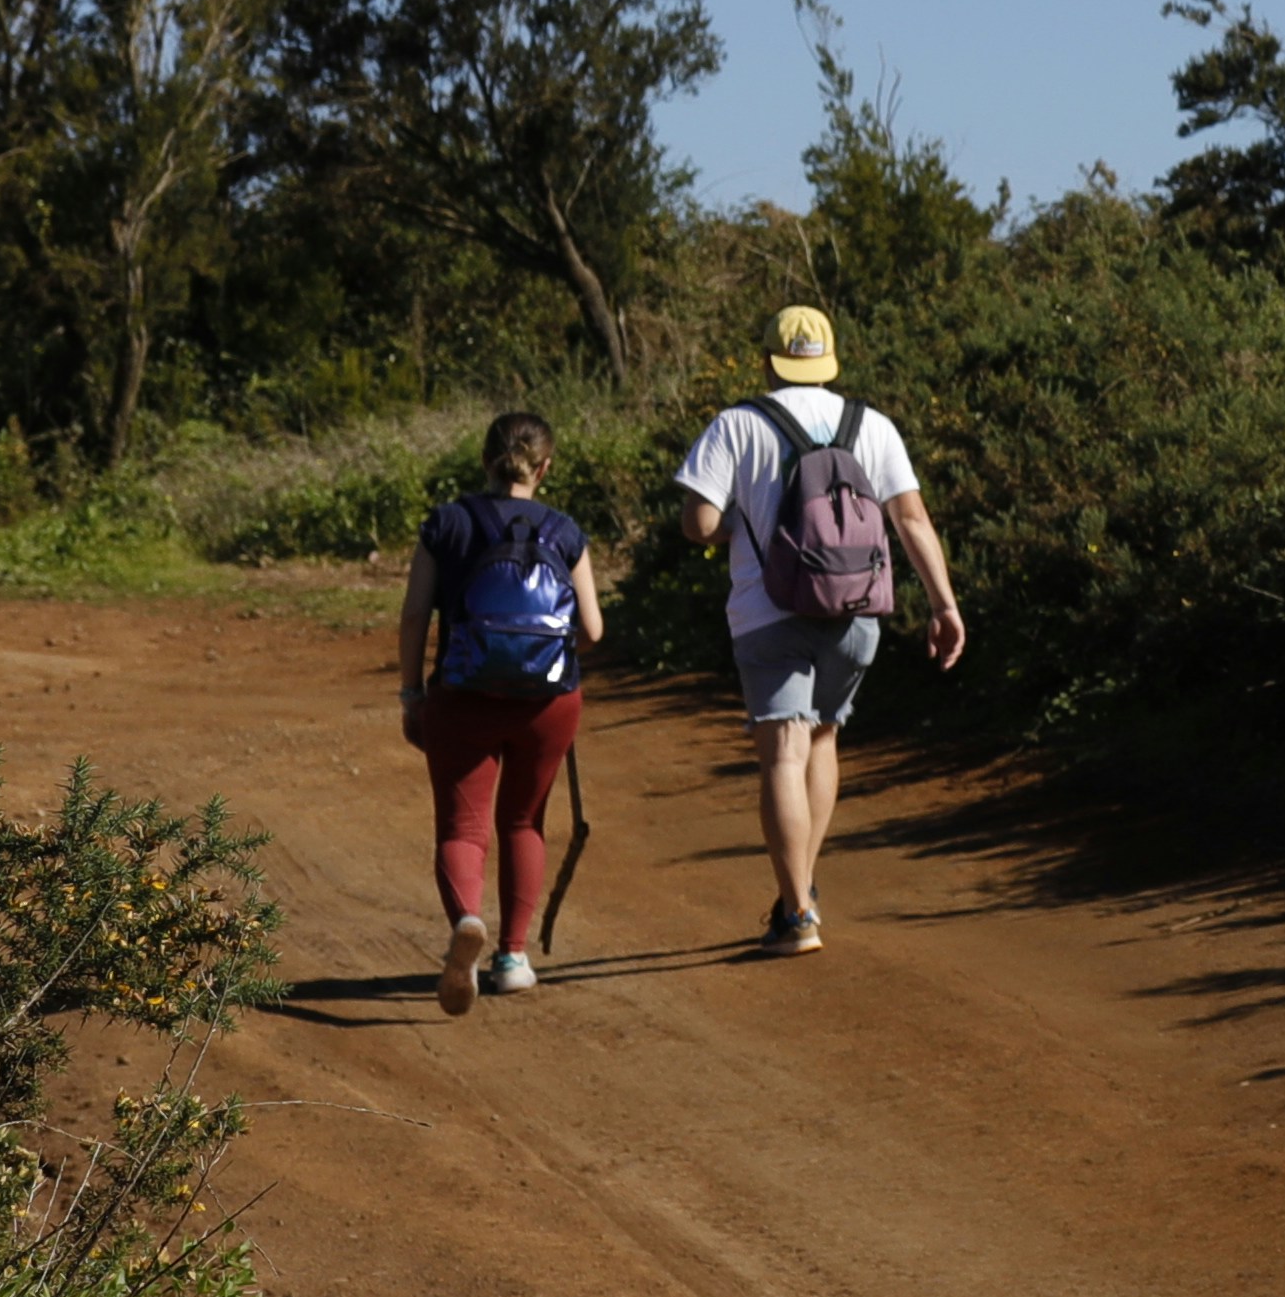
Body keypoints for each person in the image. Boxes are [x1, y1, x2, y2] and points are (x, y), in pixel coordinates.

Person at [670, 304, 967, 957]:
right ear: (828, 359)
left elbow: (696, 523)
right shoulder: (873, 425)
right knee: (825, 737)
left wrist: (743, 525)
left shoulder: (738, 425)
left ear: (769, 360)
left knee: (783, 753)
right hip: (857, 610)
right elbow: (911, 518)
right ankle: (800, 891)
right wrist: (945, 603)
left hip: (767, 611)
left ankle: (798, 912)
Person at [399, 408, 605, 1015]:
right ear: (545, 467)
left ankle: (467, 919)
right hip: (548, 702)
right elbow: (591, 627)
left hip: (462, 696)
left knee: (463, 829)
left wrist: (412, 694)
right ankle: (513, 958)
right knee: (523, 822)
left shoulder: (448, 524)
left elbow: (415, 615)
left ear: (485, 460)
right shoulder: (565, 532)